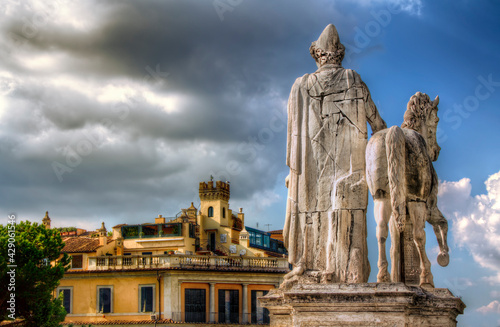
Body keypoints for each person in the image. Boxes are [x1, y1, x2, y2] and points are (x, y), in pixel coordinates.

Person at [283, 24, 386, 285]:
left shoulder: (301, 85)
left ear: (317, 55)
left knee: (310, 212)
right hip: (348, 168)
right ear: (338, 53)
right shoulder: (353, 79)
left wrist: (293, 172)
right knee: (344, 211)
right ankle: (344, 269)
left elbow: (293, 135)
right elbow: (378, 124)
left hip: (310, 168)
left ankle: (308, 265)